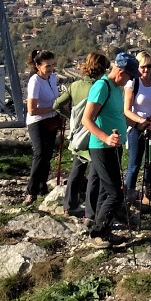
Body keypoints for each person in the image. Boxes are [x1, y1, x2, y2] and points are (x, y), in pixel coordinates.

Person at [80, 52, 137, 249]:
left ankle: (104, 230)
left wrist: (138, 125)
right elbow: (86, 119)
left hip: (113, 146)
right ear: (120, 72)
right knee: (115, 193)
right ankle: (97, 233)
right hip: (102, 147)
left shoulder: (116, 88)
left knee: (106, 191)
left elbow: (118, 115)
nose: (130, 80)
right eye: (130, 76)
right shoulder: (101, 87)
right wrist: (105, 137)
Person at [55, 55, 97, 217]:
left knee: (77, 169)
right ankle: (91, 210)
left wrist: (70, 117)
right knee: (94, 172)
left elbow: (57, 104)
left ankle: (69, 205)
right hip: (94, 131)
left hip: (79, 132)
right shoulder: (99, 86)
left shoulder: (74, 85)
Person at [124, 50, 151, 211]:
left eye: (149, 66)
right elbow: (127, 110)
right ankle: (130, 195)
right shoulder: (132, 83)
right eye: (143, 67)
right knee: (134, 163)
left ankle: (148, 193)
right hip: (137, 127)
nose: (146, 70)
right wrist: (141, 121)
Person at [22, 49, 59, 205]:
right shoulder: (35, 81)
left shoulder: (53, 78)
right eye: (47, 66)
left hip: (51, 120)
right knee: (40, 154)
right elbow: (32, 109)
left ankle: (42, 186)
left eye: (52, 65)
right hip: (37, 121)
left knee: (48, 154)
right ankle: (31, 191)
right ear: (37, 66)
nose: (50, 69)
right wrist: (54, 108)